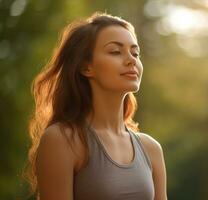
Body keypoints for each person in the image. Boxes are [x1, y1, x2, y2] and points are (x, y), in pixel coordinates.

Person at [25, 12, 167, 200]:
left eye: (135, 53)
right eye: (115, 51)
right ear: (86, 67)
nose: (131, 60)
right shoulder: (62, 140)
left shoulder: (151, 149)